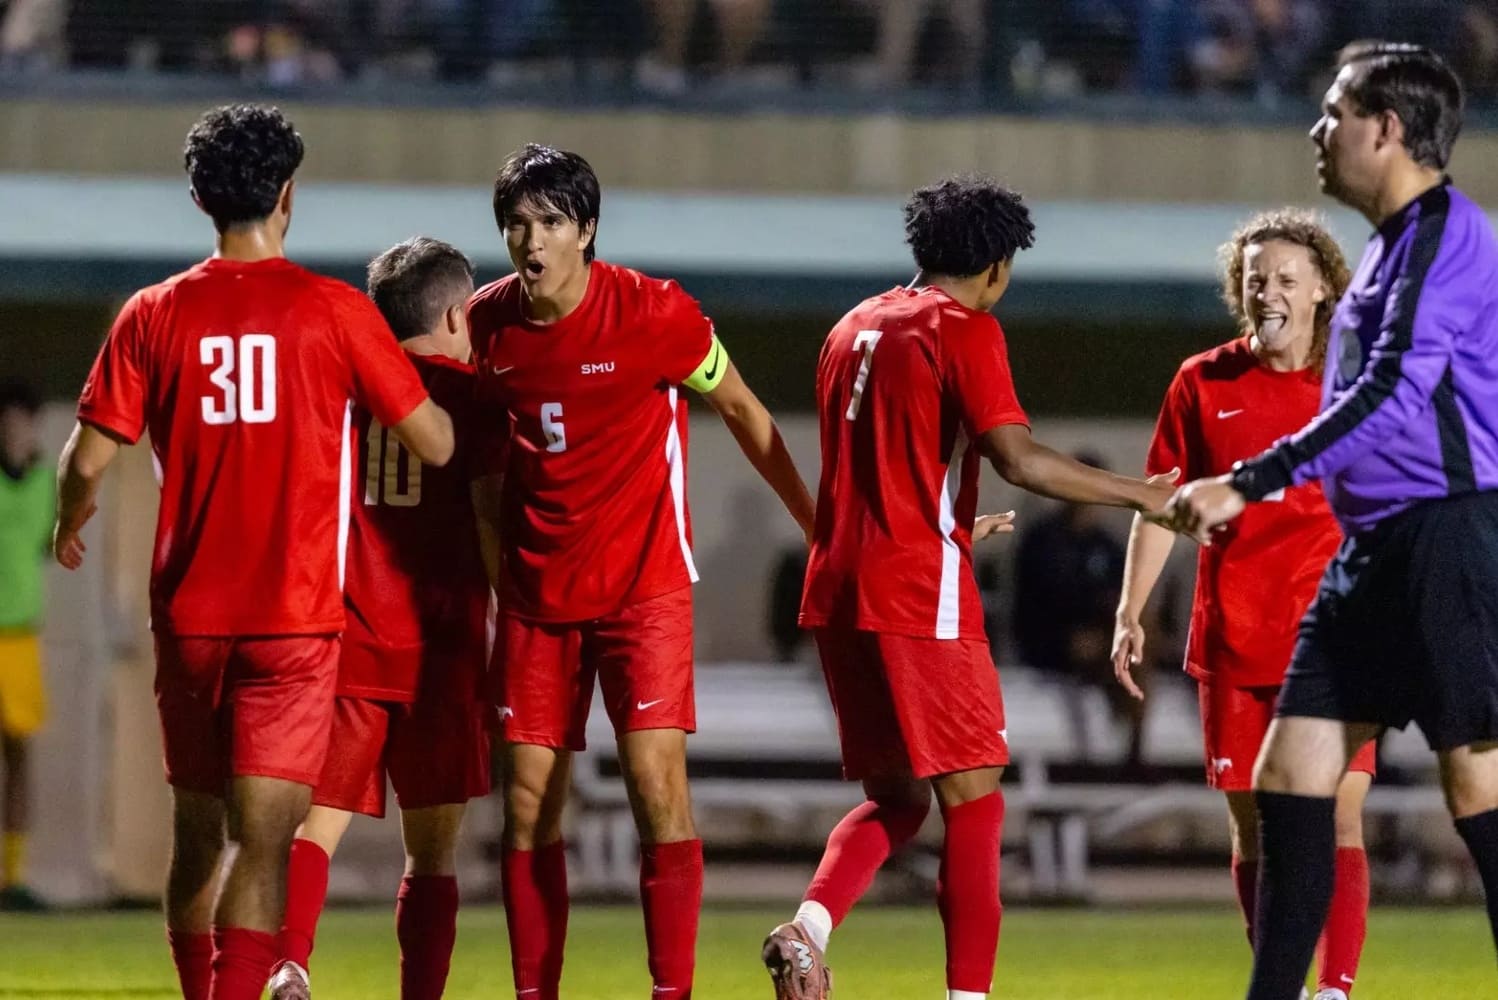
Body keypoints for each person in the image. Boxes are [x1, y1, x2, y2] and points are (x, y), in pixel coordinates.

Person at [53, 104, 454, 1000]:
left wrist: (68, 521)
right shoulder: (335, 311)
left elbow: (84, 460)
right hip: (293, 624)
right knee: (264, 841)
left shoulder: (152, 313)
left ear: (200, 199)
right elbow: (433, 442)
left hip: (190, 621)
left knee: (197, 834)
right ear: (288, 195)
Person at [761, 174, 1176, 1000]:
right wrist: (1141, 494)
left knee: (899, 800)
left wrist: (947, 525)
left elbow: (880, 468)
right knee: (976, 802)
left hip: (839, 589)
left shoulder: (851, 327)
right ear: (995, 266)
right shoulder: (963, 329)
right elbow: (1017, 457)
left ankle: (808, 929)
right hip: (917, 593)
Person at [1163, 44, 1498, 1000]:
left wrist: (1251, 479)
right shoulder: (1392, 246)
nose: (1319, 131)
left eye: (1334, 112)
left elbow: (1394, 394)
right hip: (1374, 548)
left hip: (1445, 538)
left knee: (1475, 787)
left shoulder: (1445, 237)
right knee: (1291, 773)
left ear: (1385, 129)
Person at [468, 143, 816, 1000]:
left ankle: (671, 993)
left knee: (656, 790)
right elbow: (480, 475)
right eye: (517, 224)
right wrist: (498, 584)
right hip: (536, 599)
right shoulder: (483, 326)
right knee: (526, 807)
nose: (532, 241)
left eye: (551, 222)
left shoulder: (655, 314)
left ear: (586, 230)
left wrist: (820, 529)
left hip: (642, 589)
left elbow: (742, 409)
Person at [1114, 208, 1371, 1000]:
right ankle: (1281, 983)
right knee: (1254, 825)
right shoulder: (1202, 382)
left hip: (1334, 636)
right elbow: (1161, 504)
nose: (1270, 292)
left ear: (1323, 290)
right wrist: (1130, 611)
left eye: (1288, 279)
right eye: (1256, 279)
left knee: (1338, 813)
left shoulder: (1358, 378)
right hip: (1233, 634)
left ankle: (1336, 989)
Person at [268, 238, 491, 1000]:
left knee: (315, 828)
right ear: (457, 315)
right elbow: (493, 520)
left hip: (352, 641)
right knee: (430, 855)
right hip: (443, 653)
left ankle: (291, 962)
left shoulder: (346, 392)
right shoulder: (472, 400)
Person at [1013, 452, 1139, 765]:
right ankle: (1124, 754)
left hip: (1099, 640)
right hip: (1051, 642)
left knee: (1137, 637)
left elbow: (1120, 597)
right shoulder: (1043, 542)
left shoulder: (1107, 546)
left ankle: (1135, 748)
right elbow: (1034, 608)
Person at [0, 380, 52, 911]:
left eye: (23, 422)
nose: (16, 431)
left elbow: (46, 546)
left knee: (19, 754)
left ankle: (13, 876)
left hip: (20, 634)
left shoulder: (42, 483)